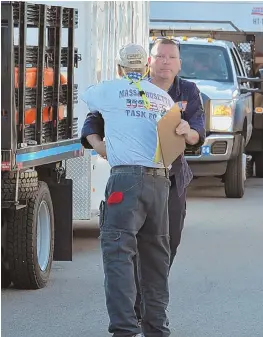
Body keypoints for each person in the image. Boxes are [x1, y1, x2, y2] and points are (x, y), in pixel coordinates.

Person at [81, 38, 206, 324]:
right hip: (153, 180)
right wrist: (98, 145)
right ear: (149, 62)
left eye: (170, 57)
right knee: (151, 254)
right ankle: (148, 321)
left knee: (142, 251)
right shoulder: (158, 97)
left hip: (168, 178)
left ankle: (129, 324)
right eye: (159, 56)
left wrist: (189, 132)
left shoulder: (185, 91)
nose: (165, 61)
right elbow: (94, 120)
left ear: (178, 64)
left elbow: (199, 131)